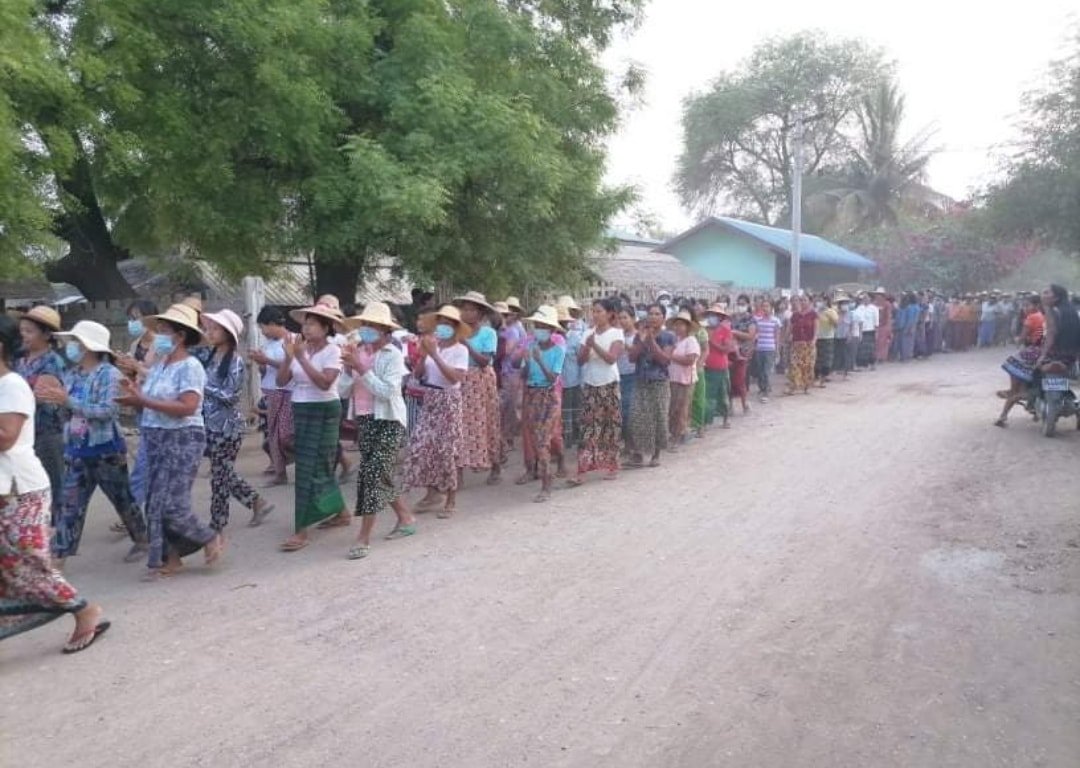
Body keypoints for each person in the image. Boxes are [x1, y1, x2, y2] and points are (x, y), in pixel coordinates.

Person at [0, 315, 110, 654]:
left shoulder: (12, 385)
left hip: (21, 488)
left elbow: (6, 437)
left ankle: (84, 609)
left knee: (27, 563)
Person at [114, 304, 223, 577]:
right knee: (154, 502)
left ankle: (208, 536)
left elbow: (187, 406)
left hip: (182, 439)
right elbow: (151, 404)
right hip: (156, 437)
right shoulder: (161, 366)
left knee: (173, 504)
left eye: (164, 331)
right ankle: (169, 558)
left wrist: (144, 399)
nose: (159, 336)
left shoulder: (190, 366)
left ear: (181, 336)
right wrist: (135, 396)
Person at [36, 321, 147, 565]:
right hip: (77, 450)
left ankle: (142, 538)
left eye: (76, 342)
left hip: (106, 449)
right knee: (69, 505)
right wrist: (54, 400)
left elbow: (107, 411)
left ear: (87, 346)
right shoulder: (72, 374)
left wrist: (68, 402)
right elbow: (66, 409)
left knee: (123, 500)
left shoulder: (110, 375)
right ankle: (58, 557)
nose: (71, 347)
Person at [340, 302, 415, 559]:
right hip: (365, 419)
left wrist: (362, 369)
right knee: (380, 474)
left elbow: (387, 391)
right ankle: (405, 517)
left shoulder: (392, 355)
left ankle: (363, 537)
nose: (367, 330)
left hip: (389, 420)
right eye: (365, 325)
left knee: (370, 475)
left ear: (385, 331)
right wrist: (349, 369)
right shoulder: (356, 351)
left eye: (373, 326)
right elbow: (341, 390)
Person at [275, 298, 347, 551]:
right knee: (316, 466)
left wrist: (302, 358)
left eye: (314, 324)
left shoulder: (333, 351)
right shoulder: (299, 349)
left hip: (324, 409)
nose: (307, 329)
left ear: (327, 328)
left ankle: (301, 529)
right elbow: (282, 380)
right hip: (301, 407)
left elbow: (325, 383)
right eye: (306, 324)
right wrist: (288, 358)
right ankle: (340, 510)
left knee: (312, 467)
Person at [201, 310, 273, 533]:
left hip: (227, 427)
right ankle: (256, 502)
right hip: (208, 425)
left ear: (228, 334)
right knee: (222, 472)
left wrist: (202, 385)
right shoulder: (210, 357)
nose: (210, 333)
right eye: (209, 328)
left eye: (215, 329)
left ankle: (217, 525)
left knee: (220, 477)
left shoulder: (236, 361)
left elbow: (230, 396)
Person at [405, 305, 468, 519]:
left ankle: (451, 498)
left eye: (448, 324)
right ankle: (432, 493)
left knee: (447, 450)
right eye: (441, 323)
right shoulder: (434, 347)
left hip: (448, 400)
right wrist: (424, 356)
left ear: (456, 328)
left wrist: (435, 355)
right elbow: (419, 375)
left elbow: (454, 378)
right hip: (430, 398)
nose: (443, 328)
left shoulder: (460, 350)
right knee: (423, 445)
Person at [14, 305, 67, 524]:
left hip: (47, 431)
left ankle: (57, 532)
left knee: (52, 483)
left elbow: (41, 396)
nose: (23, 336)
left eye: (29, 331)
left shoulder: (52, 362)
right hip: (25, 431)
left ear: (46, 335)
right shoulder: (21, 361)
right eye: (22, 330)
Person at [567, 298, 624, 486]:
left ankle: (612, 465)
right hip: (590, 384)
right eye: (594, 311)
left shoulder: (616, 333)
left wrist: (594, 345)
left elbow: (611, 359)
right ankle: (582, 470)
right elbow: (581, 360)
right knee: (587, 428)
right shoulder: (588, 334)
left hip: (609, 384)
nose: (596, 314)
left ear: (609, 314)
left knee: (610, 425)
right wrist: (587, 346)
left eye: (599, 311)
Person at [453, 292, 502, 485]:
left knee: (487, 423)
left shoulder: (488, 333)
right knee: (460, 426)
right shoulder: (456, 331)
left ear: (480, 313)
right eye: (464, 309)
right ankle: (459, 473)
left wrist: (467, 346)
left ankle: (495, 465)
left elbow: (485, 361)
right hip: (461, 380)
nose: (466, 313)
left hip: (481, 381)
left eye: (471, 309)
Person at [518, 306, 566, 503]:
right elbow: (523, 375)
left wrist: (539, 361)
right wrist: (528, 362)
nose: (539, 329)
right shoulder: (530, 347)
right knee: (536, 439)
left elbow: (553, 378)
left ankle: (546, 484)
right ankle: (544, 475)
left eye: (543, 326)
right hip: (531, 393)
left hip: (547, 395)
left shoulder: (558, 351)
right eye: (537, 325)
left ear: (552, 330)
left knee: (543, 440)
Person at [249, 306, 294, 487]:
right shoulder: (268, 344)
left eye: (263, 327)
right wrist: (260, 363)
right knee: (274, 435)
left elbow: (290, 367)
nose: (262, 331)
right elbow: (265, 371)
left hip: (288, 391)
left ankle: (296, 458)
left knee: (284, 434)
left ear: (273, 324)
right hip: (271, 391)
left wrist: (266, 361)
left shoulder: (292, 339)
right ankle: (280, 472)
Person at [626, 304, 675, 468]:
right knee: (637, 417)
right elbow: (632, 358)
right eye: (650, 314)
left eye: (657, 314)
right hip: (641, 381)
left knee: (658, 417)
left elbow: (664, 360)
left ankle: (656, 454)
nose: (653, 317)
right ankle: (638, 453)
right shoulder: (639, 335)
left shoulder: (668, 336)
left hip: (659, 382)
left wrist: (651, 341)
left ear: (663, 318)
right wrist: (641, 339)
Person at [994, 295, 1046, 427]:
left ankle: (1004, 414)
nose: (1025, 308)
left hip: (1032, 352)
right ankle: (1031, 406)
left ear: (1036, 305)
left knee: (1012, 372)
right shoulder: (1043, 317)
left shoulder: (1031, 318)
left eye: (1027, 305)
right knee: (1029, 383)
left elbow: (1022, 338)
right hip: (1043, 352)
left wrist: (1017, 339)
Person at [667, 309, 702, 445]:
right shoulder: (674, 340)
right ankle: (674, 433)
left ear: (687, 327)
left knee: (681, 408)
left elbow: (690, 361)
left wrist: (671, 356)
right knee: (672, 407)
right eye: (677, 324)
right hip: (673, 377)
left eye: (681, 325)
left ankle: (678, 435)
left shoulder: (691, 341)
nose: (678, 327)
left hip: (685, 380)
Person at [497, 298, 526, 455]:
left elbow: (507, 351)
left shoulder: (512, 331)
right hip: (504, 371)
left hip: (511, 371)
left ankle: (509, 438)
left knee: (509, 405)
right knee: (505, 406)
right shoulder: (502, 330)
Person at [556, 296, 585, 449]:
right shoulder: (551, 339)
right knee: (561, 412)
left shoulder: (575, 337)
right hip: (557, 382)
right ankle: (564, 439)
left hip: (573, 380)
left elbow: (582, 360)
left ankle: (574, 437)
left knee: (573, 411)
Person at [702, 305, 733, 429]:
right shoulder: (703, 329)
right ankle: (705, 422)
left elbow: (726, 349)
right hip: (706, 367)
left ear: (720, 317)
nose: (713, 317)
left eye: (716, 315)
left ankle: (725, 418)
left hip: (720, 367)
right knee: (707, 395)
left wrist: (712, 343)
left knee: (723, 393)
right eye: (711, 314)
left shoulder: (725, 330)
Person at [729, 295, 757, 414]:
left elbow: (751, 335)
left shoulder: (751, 319)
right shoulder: (732, 318)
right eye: (739, 303)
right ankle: (729, 406)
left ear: (748, 305)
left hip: (743, 352)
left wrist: (736, 332)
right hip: (730, 351)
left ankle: (744, 404)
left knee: (740, 379)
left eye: (743, 304)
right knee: (729, 379)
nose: (741, 306)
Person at [616, 305, 637, 453]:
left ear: (633, 319)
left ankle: (632, 445)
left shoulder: (637, 336)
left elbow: (638, 355)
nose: (622, 321)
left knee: (629, 412)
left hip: (633, 376)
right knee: (620, 412)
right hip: (618, 376)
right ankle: (627, 445)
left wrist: (627, 347)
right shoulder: (617, 335)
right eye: (620, 318)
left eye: (625, 317)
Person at [785, 296, 817, 395]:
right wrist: (785, 339)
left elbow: (816, 330)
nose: (802, 302)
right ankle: (793, 387)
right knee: (794, 365)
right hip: (796, 344)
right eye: (801, 300)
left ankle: (806, 386)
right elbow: (789, 328)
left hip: (808, 344)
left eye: (805, 300)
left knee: (808, 366)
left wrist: (814, 341)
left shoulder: (813, 314)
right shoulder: (795, 315)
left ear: (809, 302)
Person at [753, 299, 782, 402]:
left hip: (770, 349)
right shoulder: (758, 321)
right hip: (760, 348)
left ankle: (766, 392)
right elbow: (755, 335)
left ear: (771, 308)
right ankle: (762, 388)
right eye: (763, 306)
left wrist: (777, 350)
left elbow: (777, 337)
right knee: (760, 371)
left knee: (766, 371)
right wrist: (753, 346)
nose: (765, 308)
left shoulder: (776, 321)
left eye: (767, 306)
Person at [814, 297, 838, 387]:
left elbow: (836, 324)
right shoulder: (816, 311)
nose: (821, 303)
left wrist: (831, 318)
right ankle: (816, 377)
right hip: (817, 338)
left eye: (823, 301)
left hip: (828, 338)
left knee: (826, 359)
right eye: (819, 300)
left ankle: (823, 378)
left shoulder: (831, 312)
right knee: (817, 359)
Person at [834, 295, 860, 378]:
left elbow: (852, 325)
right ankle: (837, 369)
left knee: (846, 353)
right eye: (842, 304)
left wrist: (850, 334)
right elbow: (835, 324)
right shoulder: (836, 313)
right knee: (838, 353)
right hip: (837, 335)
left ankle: (846, 371)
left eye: (845, 303)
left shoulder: (851, 314)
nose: (844, 305)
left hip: (846, 335)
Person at [853, 294, 879, 370]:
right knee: (861, 349)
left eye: (867, 298)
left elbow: (876, 320)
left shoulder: (874, 308)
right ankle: (861, 365)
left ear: (870, 299)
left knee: (871, 348)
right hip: (861, 331)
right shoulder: (859, 308)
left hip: (870, 330)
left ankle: (872, 364)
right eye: (864, 298)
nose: (865, 300)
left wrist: (876, 331)